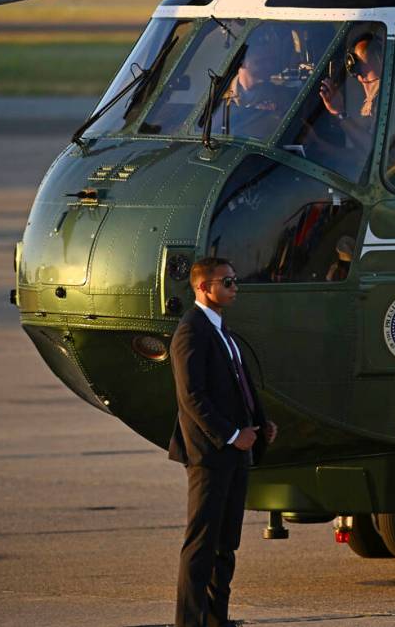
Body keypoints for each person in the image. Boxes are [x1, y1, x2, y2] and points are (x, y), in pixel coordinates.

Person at [168, 256, 278, 627]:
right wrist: (232, 435)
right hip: (210, 454)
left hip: (236, 452)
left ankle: (217, 618)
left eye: (235, 281)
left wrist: (260, 424)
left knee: (226, 543)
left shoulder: (221, 330)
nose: (234, 288)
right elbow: (192, 396)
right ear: (203, 287)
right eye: (227, 282)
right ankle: (189, 620)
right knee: (200, 544)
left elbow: (240, 385)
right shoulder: (191, 331)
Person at [318, 32, 383, 155]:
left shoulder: (387, 99)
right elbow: (359, 155)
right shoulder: (372, 98)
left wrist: (339, 113)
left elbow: (373, 150)